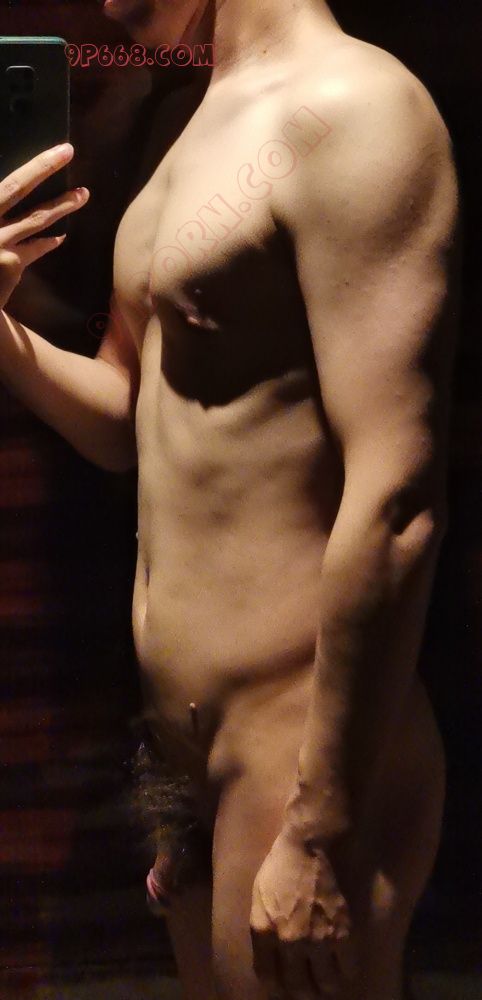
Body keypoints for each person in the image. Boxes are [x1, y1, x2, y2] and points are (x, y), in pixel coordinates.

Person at [0, 0, 460, 997]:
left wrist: (322, 822)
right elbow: (126, 419)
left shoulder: (355, 110)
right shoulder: (190, 122)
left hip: (298, 748)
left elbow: (396, 498)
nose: (101, 5)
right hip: (184, 753)